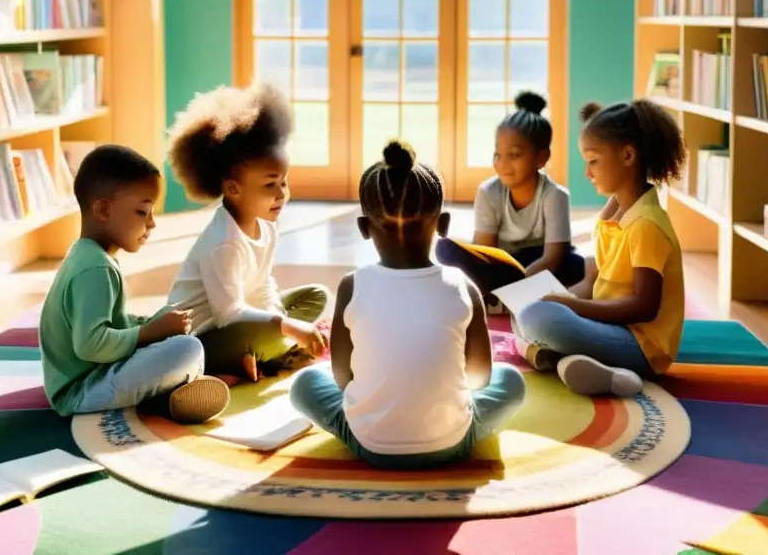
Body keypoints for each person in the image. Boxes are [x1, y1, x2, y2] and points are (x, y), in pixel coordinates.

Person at [289, 140, 526, 470]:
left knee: (304, 384)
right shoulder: (464, 287)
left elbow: (343, 379)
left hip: (370, 445)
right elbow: (480, 377)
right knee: (511, 380)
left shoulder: (351, 286)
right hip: (452, 443)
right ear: (443, 225)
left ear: (363, 228)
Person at [39, 145, 230, 424]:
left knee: (178, 331)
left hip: (94, 373)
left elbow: (109, 323)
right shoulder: (94, 268)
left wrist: (150, 322)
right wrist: (148, 332)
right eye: (143, 212)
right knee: (188, 350)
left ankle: (174, 390)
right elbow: (91, 346)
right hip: (81, 390)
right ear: (103, 209)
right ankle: (166, 399)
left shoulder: (90, 255)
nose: (151, 224)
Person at [514, 99, 687, 398]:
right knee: (527, 312)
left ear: (628, 155)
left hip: (642, 347)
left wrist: (568, 306)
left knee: (540, 319)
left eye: (593, 161)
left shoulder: (647, 224)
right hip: (611, 328)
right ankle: (589, 368)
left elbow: (644, 307)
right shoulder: (611, 217)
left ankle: (585, 363)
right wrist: (560, 298)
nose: (587, 173)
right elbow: (592, 283)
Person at [164, 84, 328, 383]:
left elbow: (263, 285)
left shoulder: (265, 225)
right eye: (269, 185)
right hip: (200, 338)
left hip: (238, 325)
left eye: (284, 182)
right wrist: (287, 328)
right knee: (284, 329)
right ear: (233, 189)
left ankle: (260, 356)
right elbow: (228, 314)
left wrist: (280, 320)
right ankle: (248, 360)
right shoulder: (224, 242)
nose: (282, 194)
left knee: (315, 296)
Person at [436, 91, 583, 299]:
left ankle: (504, 296)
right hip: (503, 262)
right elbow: (485, 250)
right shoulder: (489, 192)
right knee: (447, 251)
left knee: (577, 265)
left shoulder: (556, 196)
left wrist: (514, 289)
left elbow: (553, 258)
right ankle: (504, 294)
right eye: (498, 154)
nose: (503, 164)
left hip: (540, 263)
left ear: (542, 158)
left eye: (514, 155)